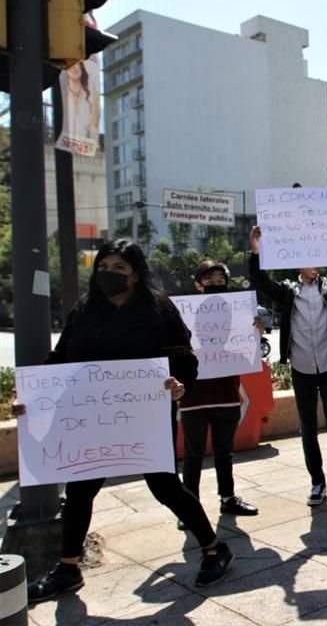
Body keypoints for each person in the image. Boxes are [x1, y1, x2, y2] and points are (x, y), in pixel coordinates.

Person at [15, 240, 232, 603]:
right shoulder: (85, 309)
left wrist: (180, 387)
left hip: (144, 416)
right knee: (80, 489)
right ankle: (68, 567)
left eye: (120, 268)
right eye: (104, 266)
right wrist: (32, 396)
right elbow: (61, 357)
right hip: (90, 418)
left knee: (164, 486)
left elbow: (186, 360)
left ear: (135, 275)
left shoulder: (158, 309)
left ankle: (214, 548)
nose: (109, 274)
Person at [248, 219, 327, 508]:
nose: (315, 264)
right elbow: (260, 282)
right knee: (308, 429)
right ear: (296, 264)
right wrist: (256, 251)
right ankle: (317, 483)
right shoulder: (288, 291)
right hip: (301, 369)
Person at [177, 261, 258, 525]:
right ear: (197, 284)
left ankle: (228, 498)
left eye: (220, 278)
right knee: (193, 454)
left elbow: (247, 354)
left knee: (225, 452)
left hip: (226, 393)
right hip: (193, 397)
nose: (215, 282)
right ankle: (189, 507)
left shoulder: (238, 313)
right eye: (209, 278)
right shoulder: (183, 314)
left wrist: (255, 332)